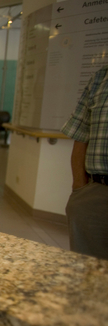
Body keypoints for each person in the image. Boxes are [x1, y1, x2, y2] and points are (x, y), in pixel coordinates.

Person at [61, 65, 108, 260]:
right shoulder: (101, 78)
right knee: (89, 276)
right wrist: (79, 189)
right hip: (96, 192)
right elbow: (81, 135)